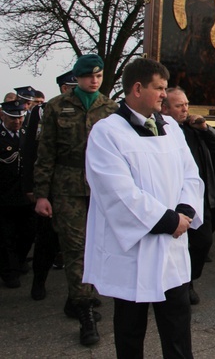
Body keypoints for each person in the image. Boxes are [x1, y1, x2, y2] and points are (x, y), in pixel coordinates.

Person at [83, 57, 204, 358]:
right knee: (130, 332)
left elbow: (191, 174)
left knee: (177, 329)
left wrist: (185, 212)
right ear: (137, 88)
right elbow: (116, 190)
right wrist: (167, 220)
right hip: (134, 250)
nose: (165, 94)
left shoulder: (172, 130)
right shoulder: (107, 132)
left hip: (172, 249)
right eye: (159, 88)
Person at [34, 54, 118, 346]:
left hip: (100, 188)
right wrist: (42, 194)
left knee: (98, 245)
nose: (93, 80)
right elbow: (45, 154)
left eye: (98, 76)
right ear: (77, 77)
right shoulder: (57, 107)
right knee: (75, 248)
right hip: (67, 187)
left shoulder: (111, 108)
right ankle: (85, 313)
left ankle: (78, 296)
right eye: (88, 76)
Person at [161, 86, 215, 305]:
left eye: (186, 104)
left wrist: (205, 128)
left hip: (198, 195)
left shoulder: (193, 128)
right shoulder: (162, 129)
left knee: (203, 241)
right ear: (165, 108)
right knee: (177, 245)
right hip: (173, 197)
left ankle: (189, 278)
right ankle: (181, 286)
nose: (185, 109)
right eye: (179, 106)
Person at [23, 71, 77, 301]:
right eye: (73, 87)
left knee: (79, 243)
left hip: (80, 188)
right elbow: (30, 151)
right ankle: (39, 280)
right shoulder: (44, 110)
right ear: (64, 88)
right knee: (47, 238)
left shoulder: (94, 110)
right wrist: (31, 186)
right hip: (53, 184)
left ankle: (79, 295)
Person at [0, 100, 33, 289]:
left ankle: (19, 262)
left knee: (27, 234)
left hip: (25, 195)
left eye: (20, 117)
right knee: (6, 238)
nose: (17, 121)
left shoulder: (26, 135)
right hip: (4, 196)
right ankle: (8, 272)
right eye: (13, 118)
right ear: (3, 116)